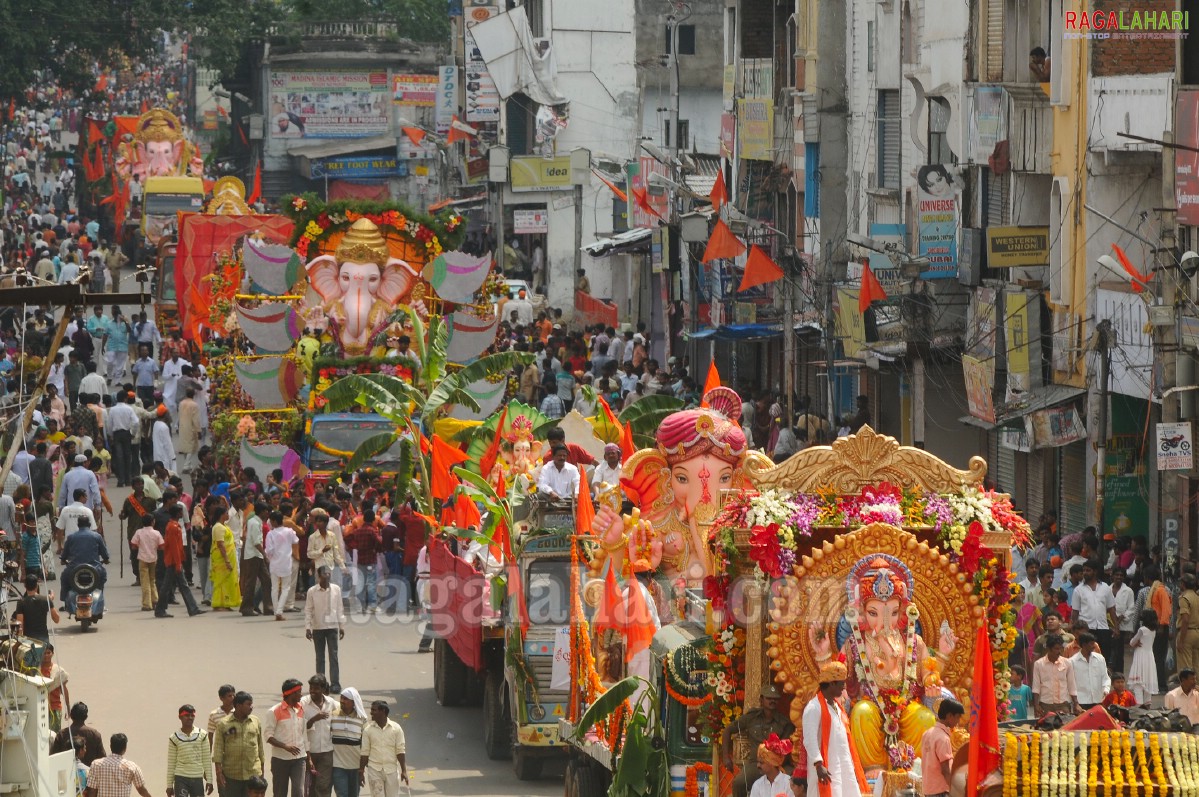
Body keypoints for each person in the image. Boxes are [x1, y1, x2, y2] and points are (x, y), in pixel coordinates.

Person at [800, 661, 866, 797]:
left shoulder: (837, 707)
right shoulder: (814, 708)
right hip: (825, 770)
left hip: (843, 767)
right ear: (831, 684)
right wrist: (818, 765)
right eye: (841, 683)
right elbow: (809, 739)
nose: (844, 687)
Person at [722, 684, 795, 797]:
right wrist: (725, 757)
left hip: (777, 765)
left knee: (795, 780)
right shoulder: (751, 717)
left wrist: (774, 765)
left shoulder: (784, 722)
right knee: (739, 782)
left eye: (775, 699)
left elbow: (785, 749)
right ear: (761, 699)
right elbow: (727, 730)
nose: (772, 701)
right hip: (756, 764)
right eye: (769, 698)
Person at [155, 504, 204, 618]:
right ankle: (161, 609)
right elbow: (174, 547)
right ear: (177, 513)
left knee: (176, 585)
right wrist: (178, 563)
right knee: (173, 586)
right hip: (173, 561)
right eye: (180, 512)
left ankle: (192, 608)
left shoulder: (173, 526)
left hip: (173, 561)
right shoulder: (173, 527)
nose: (182, 514)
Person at [213, 692, 265, 797]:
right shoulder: (224, 724)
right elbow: (218, 749)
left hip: (253, 773)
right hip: (232, 775)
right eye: (248, 704)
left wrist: (262, 771)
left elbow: (260, 747)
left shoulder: (255, 721)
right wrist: (219, 773)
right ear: (238, 705)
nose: (251, 707)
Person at [263, 679, 307, 797]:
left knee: (298, 792)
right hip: (280, 760)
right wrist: (285, 746)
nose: (301, 695)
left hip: (299, 758)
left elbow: (304, 734)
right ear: (291, 693)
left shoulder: (301, 709)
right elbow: (268, 736)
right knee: (280, 793)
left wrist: (308, 756)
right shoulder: (274, 711)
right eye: (299, 692)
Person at [306, 566, 346, 691]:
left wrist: (342, 626)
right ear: (318, 576)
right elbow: (308, 609)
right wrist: (308, 627)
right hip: (318, 627)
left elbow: (340, 608)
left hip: (332, 627)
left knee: (333, 656)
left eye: (329, 573)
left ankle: (335, 683)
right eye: (324, 574)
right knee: (320, 657)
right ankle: (321, 684)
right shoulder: (312, 591)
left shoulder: (336, 589)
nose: (327, 576)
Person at [358, 701, 408, 797]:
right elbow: (365, 752)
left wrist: (404, 771)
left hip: (391, 770)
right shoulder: (368, 730)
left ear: (383, 711)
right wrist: (361, 771)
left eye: (374, 710)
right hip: (374, 770)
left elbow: (400, 750)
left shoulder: (396, 729)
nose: (371, 713)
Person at [166, 705, 213, 797]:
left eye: (192, 715)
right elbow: (171, 763)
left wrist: (209, 780)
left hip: (197, 778)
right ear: (180, 717)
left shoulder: (202, 735)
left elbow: (206, 759)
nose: (190, 718)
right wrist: (169, 785)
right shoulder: (174, 738)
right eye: (187, 715)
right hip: (181, 778)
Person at [84, 733, 153, 797]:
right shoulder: (132, 767)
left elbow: (92, 790)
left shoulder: (96, 764)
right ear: (125, 748)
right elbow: (141, 790)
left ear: (110, 746)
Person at [920, 699, 963, 797]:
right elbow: (945, 770)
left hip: (928, 789)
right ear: (949, 716)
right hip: (941, 791)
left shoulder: (927, 733)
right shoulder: (943, 738)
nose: (958, 721)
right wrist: (955, 790)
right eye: (957, 717)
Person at [301, 675, 336, 797]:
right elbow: (299, 728)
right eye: (311, 687)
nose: (312, 691)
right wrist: (314, 719)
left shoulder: (331, 703)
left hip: (327, 752)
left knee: (323, 786)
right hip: (309, 752)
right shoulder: (303, 703)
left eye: (316, 688)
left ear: (323, 689)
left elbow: (343, 712)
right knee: (309, 787)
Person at [1032, 634, 1081, 717]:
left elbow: (1071, 685)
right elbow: (1036, 687)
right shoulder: (1038, 664)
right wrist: (1036, 705)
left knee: (1064, 729)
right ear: (1048, 649)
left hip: (1063, 705)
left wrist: (1076, 704)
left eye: (1061, 648)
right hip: (1045, 705)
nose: (1060, 651)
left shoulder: (1067, 663)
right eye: (1056, 649)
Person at [331, 688, 366, 797]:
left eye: (346, 699)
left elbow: (365, 746)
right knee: (342, 794)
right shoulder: (332, 715)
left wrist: (362, 769)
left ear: (353, 702)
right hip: (337, 765)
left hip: (355, 767)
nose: (342, 701)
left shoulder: (362, 719)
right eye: (341, 698)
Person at [265, 517, 299, 622]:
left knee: (274, 588)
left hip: (274, 563)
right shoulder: (289, 531)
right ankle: (279, 611)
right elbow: (296, 540)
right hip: (286, 563)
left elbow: (269, 550)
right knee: (285, 588)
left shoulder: (270, 534)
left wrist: (270, 557)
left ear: (275, 521)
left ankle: (277, 611)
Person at [209, 505, 241, 611]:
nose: (228, 515)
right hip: (222, 559)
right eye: (226, 513)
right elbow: (220, 544)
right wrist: (226, 560)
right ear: (221, 515)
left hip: (229, 556)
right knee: (221, 581)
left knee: (228, 581)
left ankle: (226, 602)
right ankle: (218, 604)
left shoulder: (225, 526)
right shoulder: (218, 527)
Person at [12, 573, 60, 644]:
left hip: (28, 641)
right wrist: (49, 602)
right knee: (48, 653)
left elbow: (20, 625)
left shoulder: (21, 602)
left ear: (25, 586)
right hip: (44, 640)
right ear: (36, 586)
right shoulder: (45, 600)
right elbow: (56, 619)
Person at [129, 514, 162, 611]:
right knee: (152, 580)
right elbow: (161, 546)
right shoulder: (156, 533)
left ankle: (147, 604)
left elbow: (133, 545)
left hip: (143, 559)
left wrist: (141, 547)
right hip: (153, 558)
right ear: (153, 522)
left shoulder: (139, 532)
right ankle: (155, 600)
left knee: (144, 582)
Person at [1127, 609, 1160, 705]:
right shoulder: (1153, 630)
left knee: (1138, 683)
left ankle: (1139, 706)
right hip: (1149, 656)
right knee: (1147, 682)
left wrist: (1135, 642)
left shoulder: (1142, 630)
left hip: (1140, 656)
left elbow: (1132, 642)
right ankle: (1147, 705)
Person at [39, 645, 69, 732]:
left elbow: (64, 690)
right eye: (44, 653)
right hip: (40, 707)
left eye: (48, 653)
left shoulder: (58, 671)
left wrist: (68, 708)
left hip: (55, 707)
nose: (46, 655)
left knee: (54, 735)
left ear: (52, 654)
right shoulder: (36, 670)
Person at [1178, 573, 1199, 674]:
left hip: (1187, 633)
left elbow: (1185, 620)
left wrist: (1181, 640)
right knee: (1196, 665)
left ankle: (1188, 689)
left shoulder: (1184, 598)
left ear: (1183, 584)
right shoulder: (1197, 597)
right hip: (1197, 632)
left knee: (1186, 667)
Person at [207, 685, 237, 753]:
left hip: (237, 751)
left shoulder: (238, 713)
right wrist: (209, 753)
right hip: (221, 751)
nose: (232, 698)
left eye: (233, 695)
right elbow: (210, 735)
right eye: (229, 696)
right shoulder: (214, 714)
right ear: (221, 698)